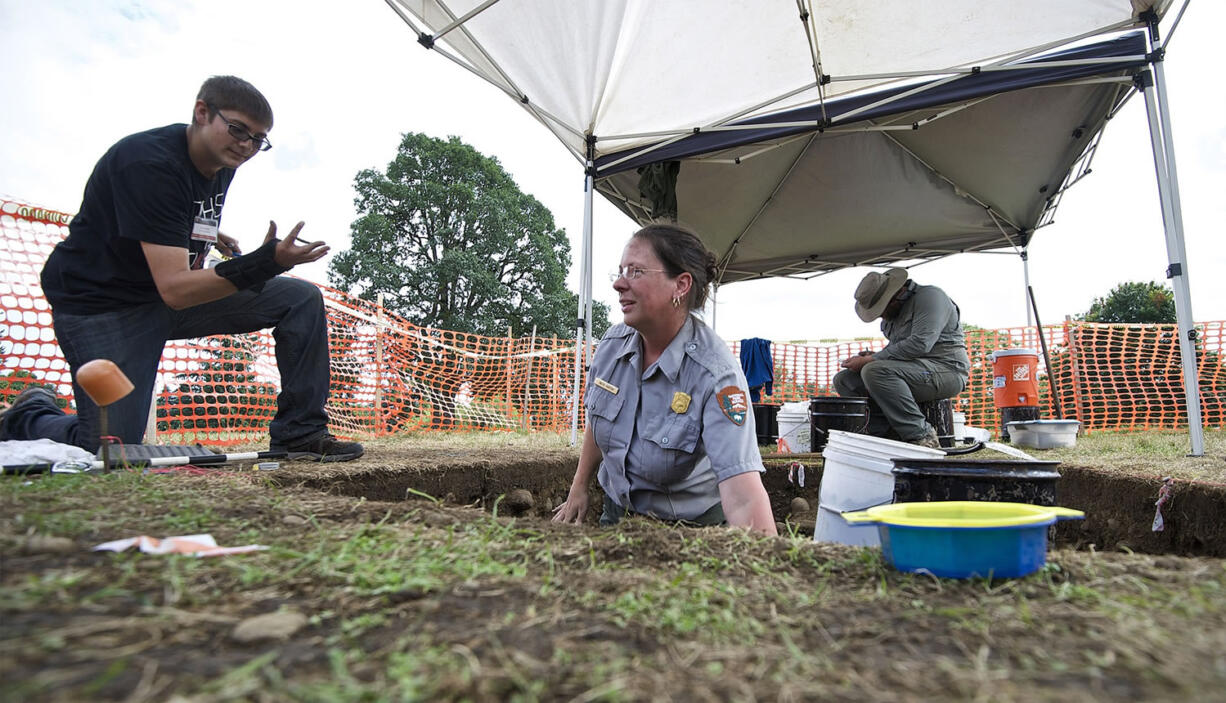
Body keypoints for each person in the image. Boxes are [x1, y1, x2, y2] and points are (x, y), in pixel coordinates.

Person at [0, 76, 363, 462]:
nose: (246, 145)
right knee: (108, 446)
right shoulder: (147, 162)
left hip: (163, 296)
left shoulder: (223, 161)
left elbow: (172, 218)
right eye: (238, 130)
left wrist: (202, 233)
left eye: (258, 139)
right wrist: (265, 262)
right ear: (202, 112)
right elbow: (175, 288)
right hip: (103, 306)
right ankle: (31, 414)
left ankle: (301, 432)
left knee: (300, 298)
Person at [552, 223, 777, 535]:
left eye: (636, 272)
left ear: (681, 285)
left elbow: (742, 496)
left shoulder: (715, 375)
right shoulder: (612, 346)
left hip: (690, 531)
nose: (619, 283)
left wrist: (765, 567)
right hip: (617, 515)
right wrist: (579, 487)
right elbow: (599, 419)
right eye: (620, 271)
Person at [833, 267, 968, 448]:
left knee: (874, 371)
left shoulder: (930, 297)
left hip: (947, 370)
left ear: (898, 294)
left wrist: (871, 360)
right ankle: (882, 436)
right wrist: (874, 356)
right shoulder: (894, 313)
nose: (881, 315)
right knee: (844, 379)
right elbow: (900, 350)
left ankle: (922, 436)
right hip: (915, 370)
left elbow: (920, 343)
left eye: (881, 308)